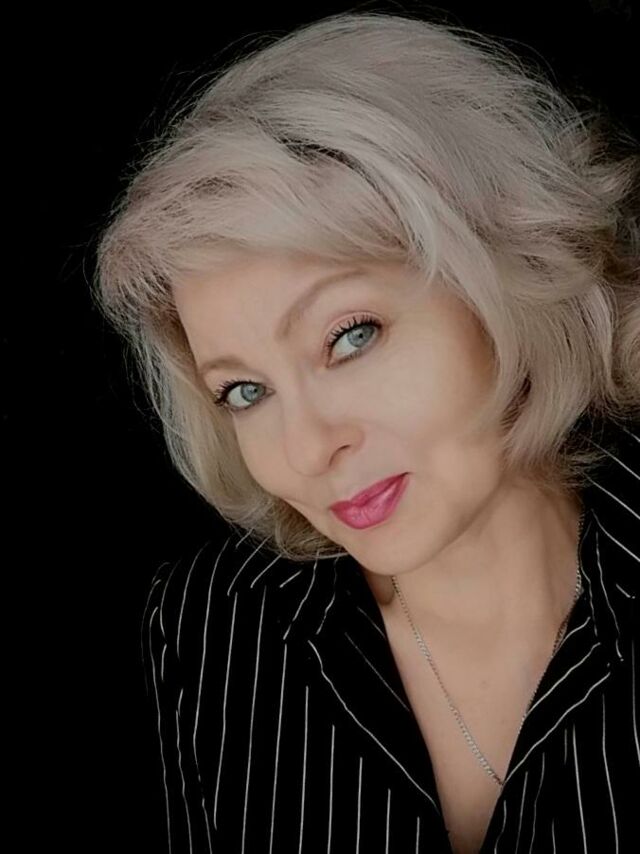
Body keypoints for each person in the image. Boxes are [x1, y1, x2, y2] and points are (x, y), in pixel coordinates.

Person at [91, 11, 639, 853]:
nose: (309, 449)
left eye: (350, 337)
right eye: (245, 391)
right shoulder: (218, 627)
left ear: (509, 275)